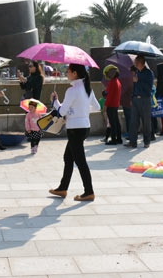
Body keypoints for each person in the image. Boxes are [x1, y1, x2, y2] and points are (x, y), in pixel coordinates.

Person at [48, 63, 100, 201]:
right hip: (84, 127)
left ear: (75, 73)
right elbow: (97, 107)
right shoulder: (87, 88)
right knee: (68, 157)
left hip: (75, 129)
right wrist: (81, 112)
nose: (66, 73)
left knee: (80, 161)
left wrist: (55, 102)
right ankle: (62, 188)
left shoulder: (72, 90)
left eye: (68, 71)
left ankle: (89, 191)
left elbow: (62, 112)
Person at [129, 55, 154, 148]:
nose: (135, 64)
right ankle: (133, 141)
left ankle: (146, 141)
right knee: (133, 121)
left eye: (136, 62)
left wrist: (138, 81)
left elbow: (149, 87)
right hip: (136, 99)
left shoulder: (148, 73)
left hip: (145, 99)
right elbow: (135, 87)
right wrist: (132, 97)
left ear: (141, 63)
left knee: (146, 122)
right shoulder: (137, 73)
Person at [103, 64, 122, 145]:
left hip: (111, 105)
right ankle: (119, 138)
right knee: (116, 122)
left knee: (112, 123)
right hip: (116, 104)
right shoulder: (117, 81)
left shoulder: (112, 82)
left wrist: (105, 105)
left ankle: (113, 139)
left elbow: (109, 96)